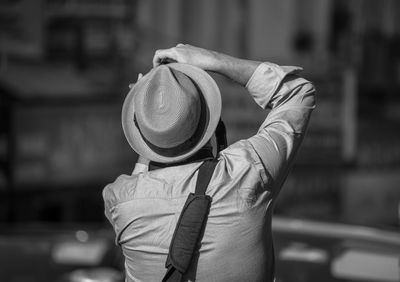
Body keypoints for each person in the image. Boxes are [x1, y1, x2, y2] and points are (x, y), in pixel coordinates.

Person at [103, 44, 316, 282]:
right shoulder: (247, 171)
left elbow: (139, 182)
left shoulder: (118, 199)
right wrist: (210, 60)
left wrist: (149, 114)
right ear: (210, 122)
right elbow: (297, 91)